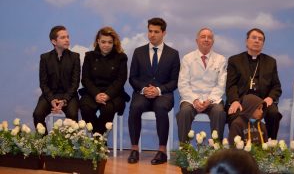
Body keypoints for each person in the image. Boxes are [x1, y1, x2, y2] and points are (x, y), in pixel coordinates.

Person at [127, 17, 180, 165]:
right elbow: (132, 78)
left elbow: (174, 81)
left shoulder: (173, 54)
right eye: (150, 31)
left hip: (163, 94)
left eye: (156, 32)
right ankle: (134, 149)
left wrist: (158, 90)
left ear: (164, 33)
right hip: (142, 93)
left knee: (160, 107)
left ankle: (161, 151)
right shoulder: (138, 52)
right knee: (135, 107)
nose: (152, 35)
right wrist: (144, 89)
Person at [226, 28, 282, 139]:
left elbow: (276, 86)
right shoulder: (234, 60)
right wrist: (235, 101)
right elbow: (231, 85)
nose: (257, 41)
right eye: (254, 38)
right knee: (234, 113)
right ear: (247, 41)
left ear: (263, 44)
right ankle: (238, 149)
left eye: (260, 39)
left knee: (274, 113)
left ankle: (270, 147)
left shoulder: (271, 62)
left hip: (263, 102)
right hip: (242, 101)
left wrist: (271, 98)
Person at [176, 28, 227, 143]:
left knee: (219, 113)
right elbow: (183, 84)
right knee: (184, 113)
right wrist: (195, 100)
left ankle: (216, 150)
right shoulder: (187, 58)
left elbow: (221, 85)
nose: (206, 39)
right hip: (191, 99)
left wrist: (209, 100)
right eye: (203, 37)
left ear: (213, 41)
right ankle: (184, 150)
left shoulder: (221, 59)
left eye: (209, 37)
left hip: (213, 100)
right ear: (197, 40)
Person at [79, 27, 129, 134]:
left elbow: (121, 80)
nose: (106, 45)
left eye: (109, 42)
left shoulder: (121, 57)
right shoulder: (89, 56)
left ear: (114, 43)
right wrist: (96, 94)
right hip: (92, 92)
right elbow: (85, 79)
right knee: (85, 108)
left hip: (114, 94)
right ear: (98, 41)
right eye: (103, 42)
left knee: (108, 109)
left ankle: (98, 140)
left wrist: (107, 95)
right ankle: (99, 139)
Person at [33, 25, 80, 133]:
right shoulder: (45, 58)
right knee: (37, 114)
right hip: (50, 95)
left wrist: (64, 100)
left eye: (68, 37)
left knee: (73, 114)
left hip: (69, 95)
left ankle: (70, 145)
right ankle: (44, 143)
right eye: (63, 37)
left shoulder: (75, 57)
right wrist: (51, 100)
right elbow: (43, 83)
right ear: (54, 41)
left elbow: (75, 83)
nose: (67, 40)